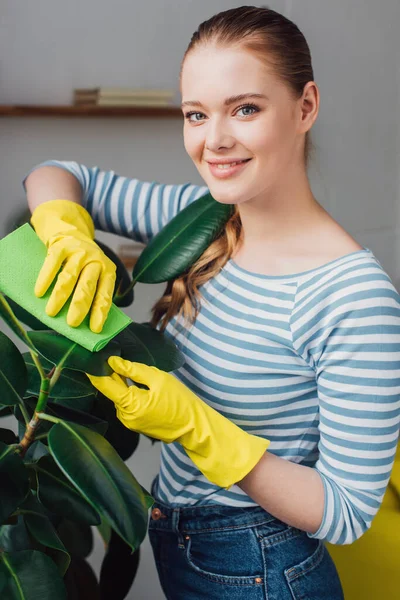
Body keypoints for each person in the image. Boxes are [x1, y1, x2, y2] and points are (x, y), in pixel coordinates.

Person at [23, 6, 400, 600]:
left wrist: (202, 430)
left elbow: (347, 511)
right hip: (185, 545)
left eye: (244, 108)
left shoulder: (352, 297)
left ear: (306, 107)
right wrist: (65, 229)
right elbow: (57, 173)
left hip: (266, 570)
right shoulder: (202, 218)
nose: (214, 140)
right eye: (196, 114)